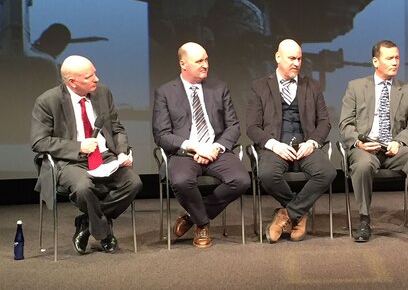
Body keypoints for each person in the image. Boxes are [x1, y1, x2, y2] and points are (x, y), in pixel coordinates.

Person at [30, 55, 142, 254]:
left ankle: (87, 222)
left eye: (95, 73)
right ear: (72, 82)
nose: (97, 79)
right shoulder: (47, 101)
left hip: (105, 156)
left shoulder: (103, 93)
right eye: (90, 76)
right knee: (83, 188)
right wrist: (78, 147)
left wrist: (123, 152)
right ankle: (104, 233)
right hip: (70, 161)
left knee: (133, 183)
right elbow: (39, 142)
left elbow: (116, 128)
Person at [152, 42, 250, 248]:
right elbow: (161, 135)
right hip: (184, 153)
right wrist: (195, 147)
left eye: (206, 59)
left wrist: (215, 147)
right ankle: (203, 223)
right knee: (180, 181)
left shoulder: (219, 88)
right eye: (199, 61)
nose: (205, 65)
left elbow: (233, 126)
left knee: (241, 180)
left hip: (216, 150)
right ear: (183, 64)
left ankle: (192, 216)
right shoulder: (165, 92)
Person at [339, 40, 408, 247]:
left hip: (394, 147)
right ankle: (364, 220)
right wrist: (359, 143)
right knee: (362, 165)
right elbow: (345, 124)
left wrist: (399, 142)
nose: (395, 62)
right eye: (389, 58)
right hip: (366, 148)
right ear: (375, 61)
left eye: (397, 58)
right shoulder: (355, 87)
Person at [246, 39, 336, 243]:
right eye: (291, 58)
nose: (296, 63)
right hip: (276, 146)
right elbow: (252, 127)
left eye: (299, 58)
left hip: (305, 145)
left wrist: (312, 142)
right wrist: (274, 145)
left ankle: (286, 214)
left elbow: (324, 122)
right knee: (267, 174)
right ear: (278, 58)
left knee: (328, 172)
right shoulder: (259, 87)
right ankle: (300, 213)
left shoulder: (312, 86)